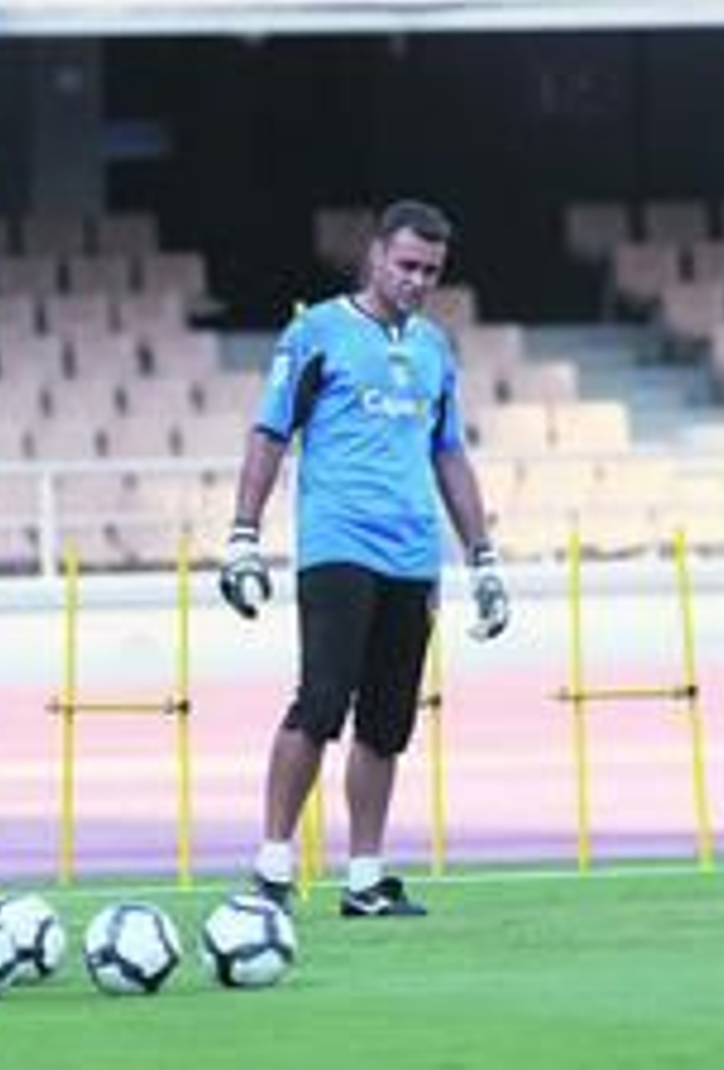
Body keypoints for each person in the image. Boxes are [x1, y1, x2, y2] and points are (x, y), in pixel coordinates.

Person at [219, 198, 510, 918]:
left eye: (432, 271)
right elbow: (269, 432)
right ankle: (274, 866)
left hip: (414, 558)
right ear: (375, 255)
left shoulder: (435, 350)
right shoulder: (315, 332)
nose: (417, 280)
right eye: (407, 265)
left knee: (388, 723)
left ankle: (366, 878)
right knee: (319, 704)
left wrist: (483, 559)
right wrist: (243, 536)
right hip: (337, 544)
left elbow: (450, 456)